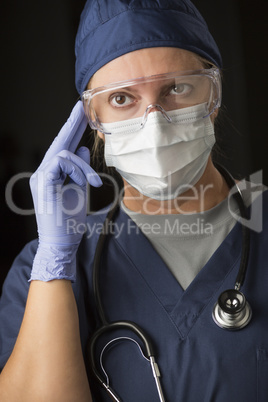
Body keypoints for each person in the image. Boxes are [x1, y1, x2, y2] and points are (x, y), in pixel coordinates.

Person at [0, 1, 267, 401]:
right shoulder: (42, 270)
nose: (154, 121)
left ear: (213, 96)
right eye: (122, 99)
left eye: (177, 88)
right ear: (95, 122)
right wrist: (55, 268)